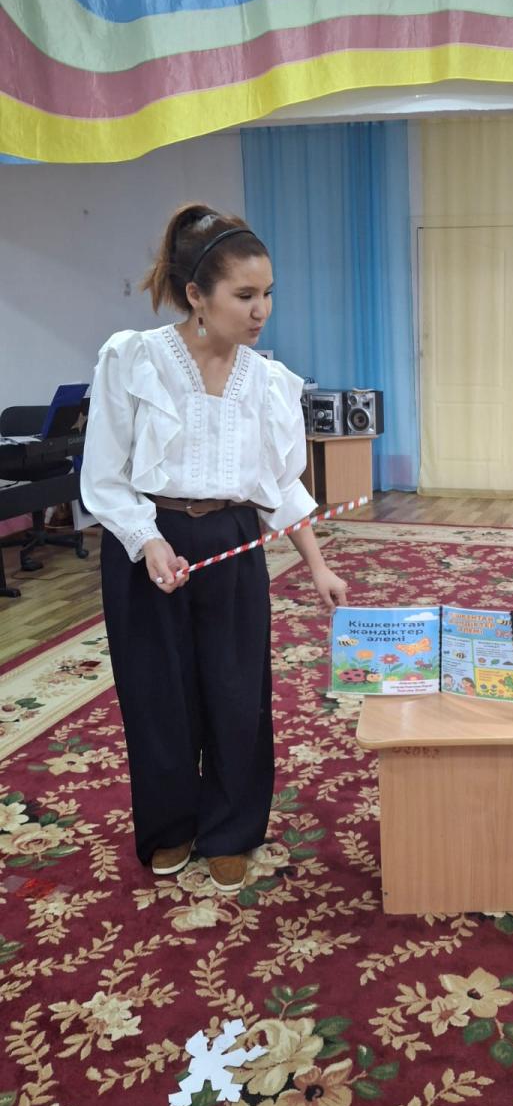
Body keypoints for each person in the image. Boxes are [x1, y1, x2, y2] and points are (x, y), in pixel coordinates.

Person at [81, 203, 347, 894]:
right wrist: (147, 540)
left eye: (268, 294)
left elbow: (278, 483)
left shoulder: (268, 380)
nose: (261, 311)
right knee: (157, 691)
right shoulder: (133, 360)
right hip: (145, 541)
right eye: (245, 295)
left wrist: (317, 565)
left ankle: (232, 828)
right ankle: (170, 823)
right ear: (197, 295)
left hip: (230, 539)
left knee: (236, 689)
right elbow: (104, 477)